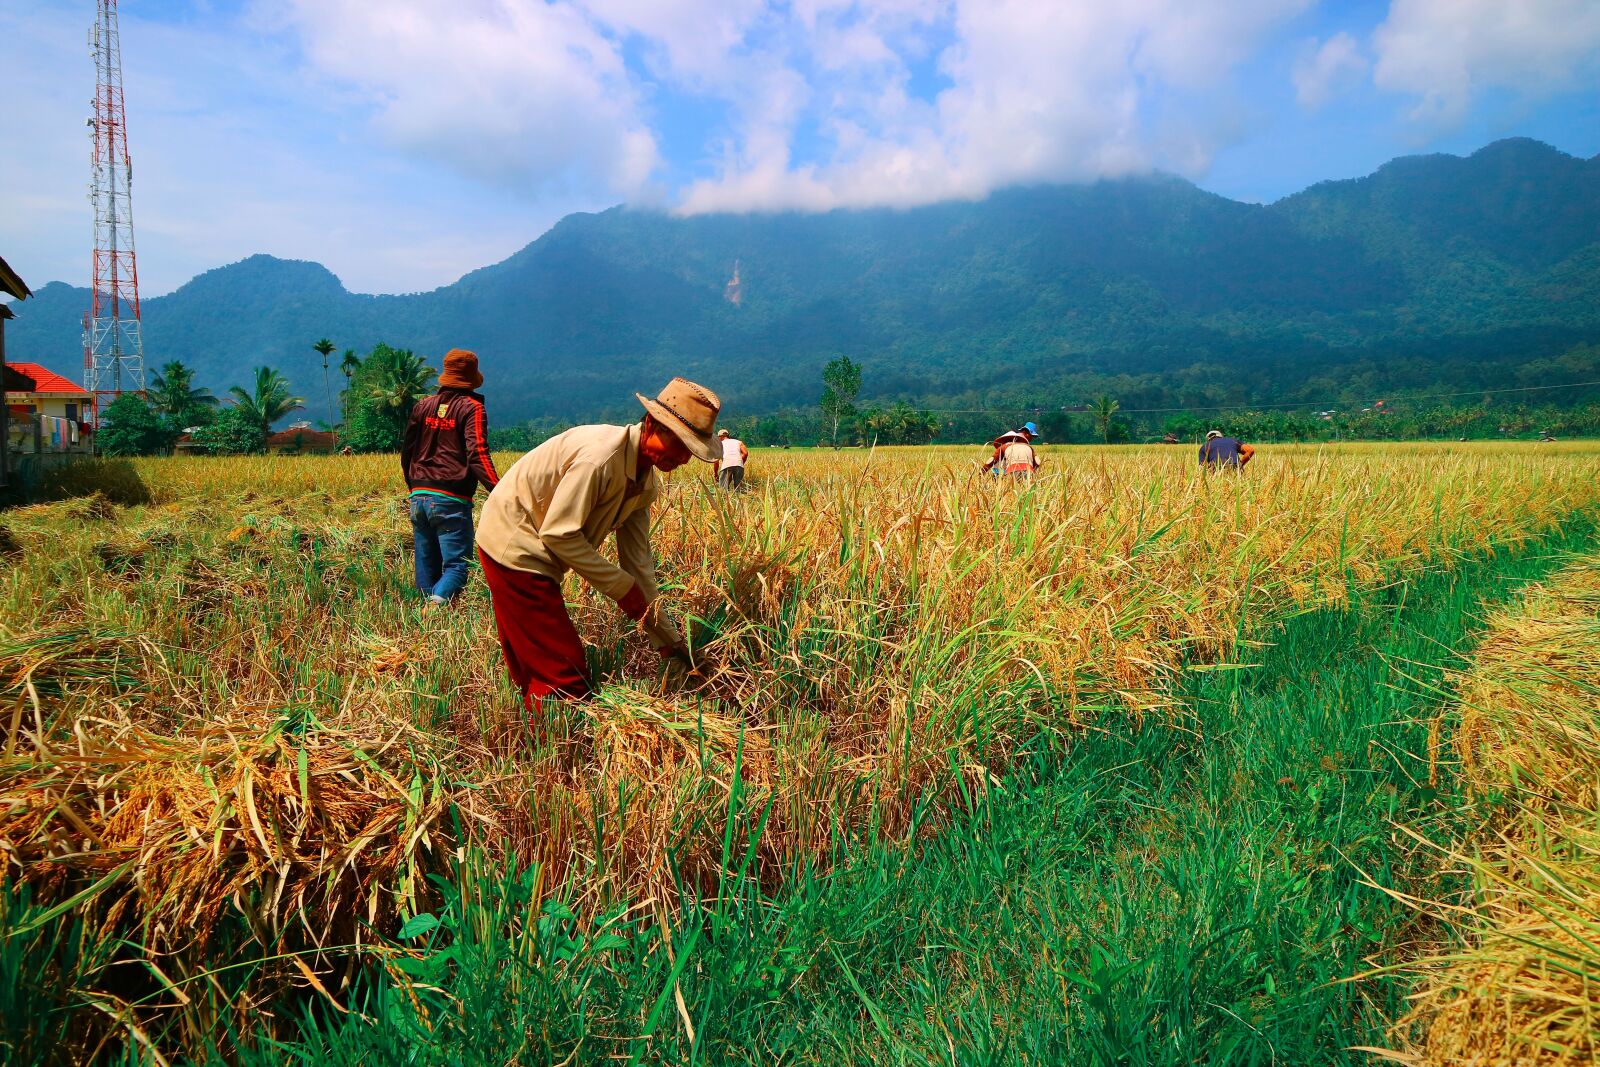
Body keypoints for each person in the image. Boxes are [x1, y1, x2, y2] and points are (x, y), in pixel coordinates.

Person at [475, 377, 719, 713]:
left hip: (536, 552)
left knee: (538, 656)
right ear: (650, 424)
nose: (681, 458)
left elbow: (639, 567)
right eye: (677, 443)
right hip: (514, 541)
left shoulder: (645, 484)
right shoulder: (600, 458)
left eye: (689, 450)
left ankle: (535, 726)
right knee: (564, 675)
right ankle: (555, 750)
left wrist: (665, 636)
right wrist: (621, 588)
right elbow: (559, 534)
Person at [401, 348, 499, 606]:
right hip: (450, 499)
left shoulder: (422, 406)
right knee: (458, 566)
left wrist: (414, 487)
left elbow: (407, 451)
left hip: (418, 496)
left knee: (425, 564)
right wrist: (500, 491)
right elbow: (477, 453)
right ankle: (436, 605)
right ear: (471, 378)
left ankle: (424, 617)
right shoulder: (472, 408)